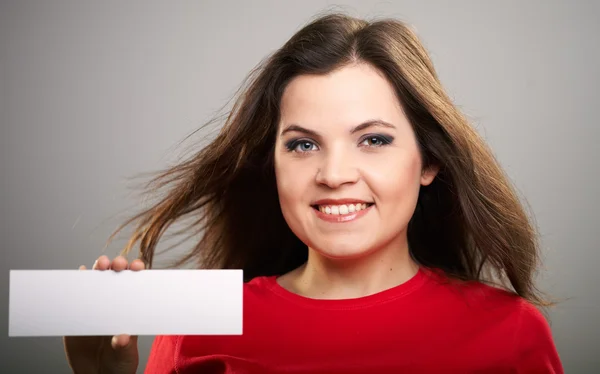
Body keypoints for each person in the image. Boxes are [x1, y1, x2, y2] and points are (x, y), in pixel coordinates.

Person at [63, 12, 564, 374]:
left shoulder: (511, 333)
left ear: (429, 161)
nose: (334, 173)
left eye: (373, 140)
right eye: (303, 144)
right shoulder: (197, 329)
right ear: (273, 166)